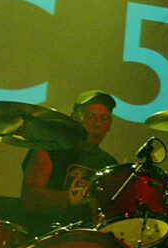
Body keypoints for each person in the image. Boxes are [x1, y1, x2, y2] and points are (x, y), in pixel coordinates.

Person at [20, 89, 118, 234]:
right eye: (90, 117)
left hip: (86, 242)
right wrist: (71, 198)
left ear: (109, 124)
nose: (97, 124)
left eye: (104, 118)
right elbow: (30, 199)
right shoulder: (49, 149)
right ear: (74, 118)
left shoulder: (110, 164)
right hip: (44, 238)